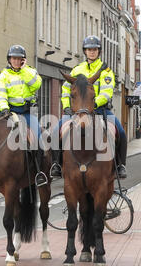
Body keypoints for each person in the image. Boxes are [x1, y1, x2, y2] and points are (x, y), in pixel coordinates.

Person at [50, 35, 128, 179]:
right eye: (89, 49)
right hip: (78, 112)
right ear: (85, 51)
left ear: (99, 51)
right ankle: (57, 164)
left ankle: (120, 165)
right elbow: (66, 90)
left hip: (100, 110)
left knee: (121, 132)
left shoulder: (106, 71)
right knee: (56, 130)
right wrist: (67, 107)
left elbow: (106, 92)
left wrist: (94, 104)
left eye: (95, 49)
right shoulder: (76, 70)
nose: (92, 52)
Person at [0, 44, 47, 186]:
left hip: (28, 113)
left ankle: (39, 172)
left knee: (38, 139)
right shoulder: (3, 76)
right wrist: (4, 109)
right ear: (9, 59)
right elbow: (0, 95)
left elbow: (36, 85)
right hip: (10, 113)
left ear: (23, 60)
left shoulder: (30, 72)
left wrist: (24, 71)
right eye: (14, 58)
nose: (16, 61)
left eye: (19, 59)